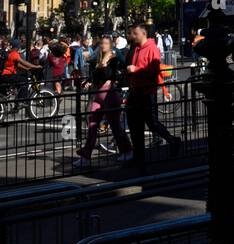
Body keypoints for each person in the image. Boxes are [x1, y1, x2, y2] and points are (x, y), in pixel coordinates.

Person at [124, 23, 181, 170]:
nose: (133, 36)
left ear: (143, 33)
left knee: (152, 123)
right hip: (135, 91)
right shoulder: (136, 48)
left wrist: (136, 69)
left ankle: (173, 140)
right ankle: (139, 158)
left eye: (135, 33)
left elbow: (154, 70)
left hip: (147, 92)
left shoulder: (152, 48)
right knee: (134, 126)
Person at [72, 36, 132, 167]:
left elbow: (107, 74)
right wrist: (88, 81)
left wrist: (104, 63)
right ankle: (86, 156)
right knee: (92, 124)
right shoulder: (98, 58)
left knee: (115, 126)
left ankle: (127, 150)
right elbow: (95, 74)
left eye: (105, 43)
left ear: (110, 45)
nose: (103, 45)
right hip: (98, 94)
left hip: (110, 94)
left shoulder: (113, 59)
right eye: (101, 43)